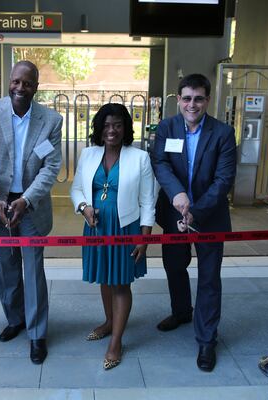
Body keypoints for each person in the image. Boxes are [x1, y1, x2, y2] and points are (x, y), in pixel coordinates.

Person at [0, 60, 62, 365]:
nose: (20, 88)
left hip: (31, 206)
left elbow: (51, 167)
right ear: (8, 82)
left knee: (33, 270)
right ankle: (15, 319)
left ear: (36, 87)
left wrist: (27, 199)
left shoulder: (51, 120)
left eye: (27, 83)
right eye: (16, 82)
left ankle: (37, 334)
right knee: (6, 266)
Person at [151, 73, 236, 372]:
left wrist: (195, 211)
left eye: (198, 98)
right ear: (179, 99)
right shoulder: (166, 128)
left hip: (209, 218)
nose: (192, 104)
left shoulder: (223, 133)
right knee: (174, 267)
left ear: (208, 100)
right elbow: (160, 163)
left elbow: (223, 179)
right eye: (187, 98)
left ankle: (207, 339)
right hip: (174, 214)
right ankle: (181, 312)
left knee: (209, 279)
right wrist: (178, 195)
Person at [70, 103, 156, 370]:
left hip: (125, 228)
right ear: (99, 128)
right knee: (105, 279)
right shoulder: (88, 154)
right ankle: (109, 322)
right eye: (106, 125)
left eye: (117, 125)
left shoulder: (139, 158)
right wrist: (84, 209)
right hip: (96, 226)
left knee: (120, 283)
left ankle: (116, 341)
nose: (112, 130)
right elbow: (76, 190)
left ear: (126, 128)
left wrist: (144, 237)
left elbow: (148, 200)